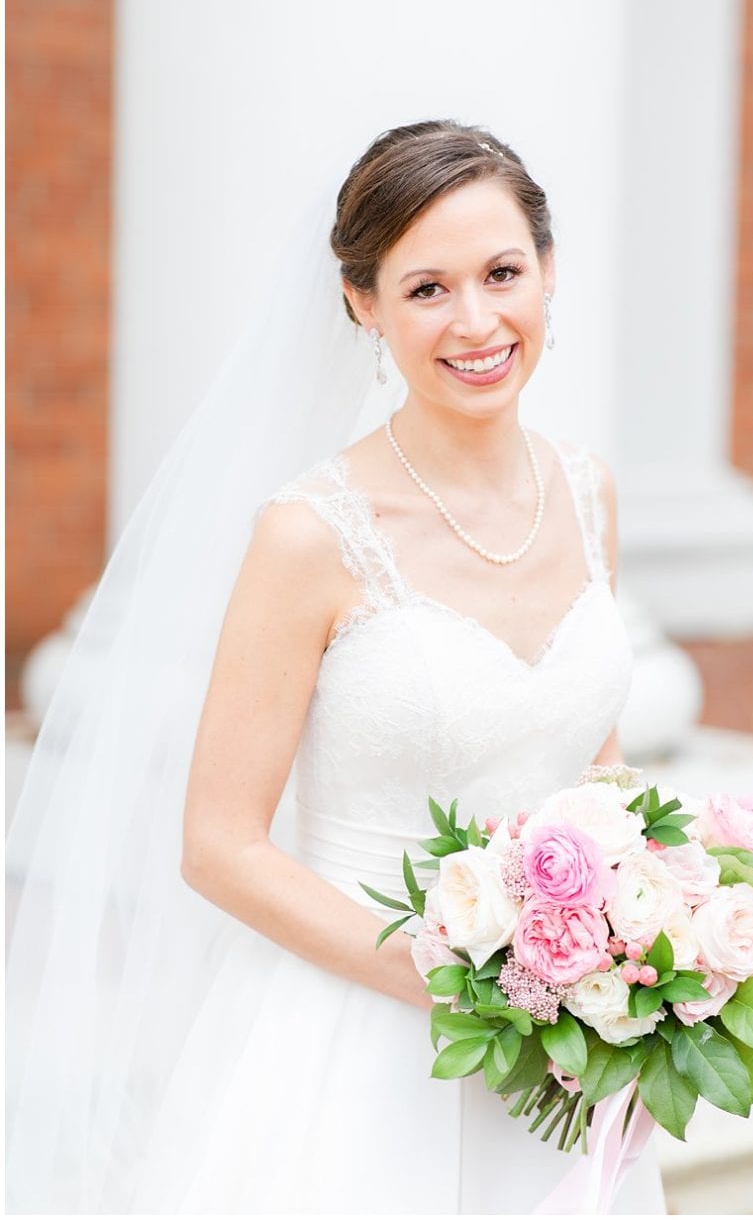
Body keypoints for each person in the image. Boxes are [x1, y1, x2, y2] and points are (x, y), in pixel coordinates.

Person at [6, 121, 662, 1212]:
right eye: (426, 288)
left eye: (503, 272)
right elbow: (218, 844)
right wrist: (461, 980)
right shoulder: (308, 533)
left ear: (548, 270)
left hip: (563, 1057)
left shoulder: (588, 491)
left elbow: (590, 752)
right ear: (362, 303)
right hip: (357, 1052)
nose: (477, 320)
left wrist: (650, 929)